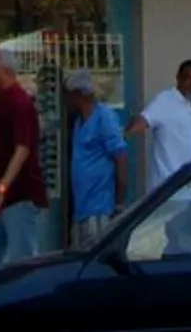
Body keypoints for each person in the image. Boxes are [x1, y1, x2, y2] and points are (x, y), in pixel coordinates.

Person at [0, 48, 46, 269]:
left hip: (18, 196)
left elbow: (22, 150)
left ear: (5, 70)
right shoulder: (3, 102)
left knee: (22, 262)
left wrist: (1, 189)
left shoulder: (20, 104)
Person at [63, 71, 129, 249]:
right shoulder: (78, 123)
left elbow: (121, 158)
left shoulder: (104, 118)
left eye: (68, 96)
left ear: (78, 95)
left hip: (100, 210)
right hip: (81, 211)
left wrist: (119, 204)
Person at [127, 58, 191, 184]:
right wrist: (123, 134)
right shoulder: (165, 100)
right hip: (167, 186)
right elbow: (143, 121)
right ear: (178, 78)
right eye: (189, 78)